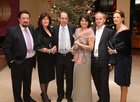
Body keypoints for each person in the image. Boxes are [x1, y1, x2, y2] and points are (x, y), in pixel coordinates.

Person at [3, 10, 36, 102]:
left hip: (30, 61)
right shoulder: (12, 30)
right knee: (17, 84)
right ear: (19, 19)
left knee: (27, 82)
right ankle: (18, 100)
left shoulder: (31, 29)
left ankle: (27, 98)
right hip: (17, 62)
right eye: (23, 18)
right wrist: (12, 61)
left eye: (27, 18)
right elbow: (7, 48)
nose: (25, 20)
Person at [108, 10, 132, 102]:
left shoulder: (125, 30)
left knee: (124, 83)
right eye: (114, 17)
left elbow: (127, 48)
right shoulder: (116, 29)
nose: (115, 19)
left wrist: (114, 51)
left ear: (122, 18)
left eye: (118, 17)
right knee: (121, 82)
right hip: (118, 60)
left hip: (124, 60)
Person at [52, 11, 76, 102]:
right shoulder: (54, 29)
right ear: (59, 18)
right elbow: (52, 41)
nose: (64, 20)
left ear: (68, 19)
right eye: (62, 18)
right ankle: (60, 94)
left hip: (69, 56)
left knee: (70, 77)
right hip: (59, 56)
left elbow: (78, 38)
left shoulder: (73, 28)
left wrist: (75, 46)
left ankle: (69, 95)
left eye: (66, 18)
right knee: (59, 77)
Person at [91, 11, 114, 102]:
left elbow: (112, 48)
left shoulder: (110, 32)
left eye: (100, 19)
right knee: (97, 82)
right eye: (96, 19)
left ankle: (105, 100)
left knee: (104, 83)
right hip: (94, 61)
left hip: (104, 61)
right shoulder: (92, 31)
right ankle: (102, 98)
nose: (98, 20)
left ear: (104, 20)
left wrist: (111, 62)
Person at [72, 13, 95, 102]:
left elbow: (90, 48)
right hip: (77, 58)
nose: (84, 22)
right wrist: (73, 47)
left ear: (88, 22)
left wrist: (79, 44)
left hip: (85, 58)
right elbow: (75, 43)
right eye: (82, 21)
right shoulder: (77, 30)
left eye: (86, 21)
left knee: (84, 79)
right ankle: (77, 98)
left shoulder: (90, 31)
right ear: (80, 21)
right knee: (77, 77)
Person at [35, 12, 56, 102]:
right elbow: (37, 46)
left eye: (47, 19)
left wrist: (55, 47)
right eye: (43, 19)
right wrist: (48, 50)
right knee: (43, 77)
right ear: (40, 21)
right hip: (43, 57)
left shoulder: (50, 30)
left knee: (48, 76)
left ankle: (44, 93)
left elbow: (54, 41)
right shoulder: (38, 31)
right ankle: (44, 95)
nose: (46, 21)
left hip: (50, 58)